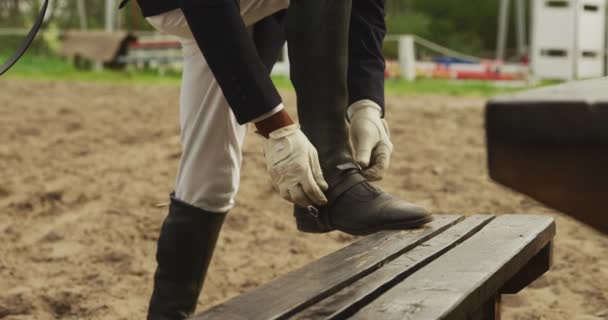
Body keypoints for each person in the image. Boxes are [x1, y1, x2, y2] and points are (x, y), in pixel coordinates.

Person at [128, 0, 433, 318]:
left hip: (240, 14)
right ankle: (335, 173)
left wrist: (366, 105)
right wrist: (276, 126)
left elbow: (366, 5)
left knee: (210, 180)